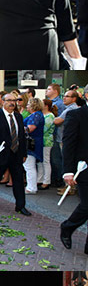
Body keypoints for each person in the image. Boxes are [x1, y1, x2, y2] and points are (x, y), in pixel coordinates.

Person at [60, 88, 88, 254]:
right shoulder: (76, 115)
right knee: (86, 206)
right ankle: (67, 227)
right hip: (83, 169)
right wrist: (68, 171)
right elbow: (68, 144)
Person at [24, 96, 45, 194]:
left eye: (28, 104)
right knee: (30, 165)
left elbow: (30, 128)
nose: (27, 106)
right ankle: (32, 186)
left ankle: (31, 187)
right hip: (35, 141)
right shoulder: (37, 115)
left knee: (29, 165)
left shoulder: (35, 115)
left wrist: (19, 128)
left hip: (32, 142)